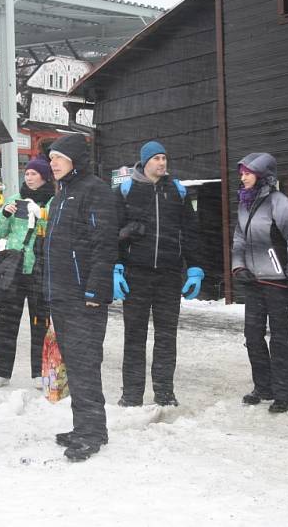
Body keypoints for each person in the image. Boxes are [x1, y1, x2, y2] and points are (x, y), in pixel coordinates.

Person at [44, 134, 117, 462]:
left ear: (75, 159)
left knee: (85, 363)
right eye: (50, 158)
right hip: (60, 294)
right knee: (73, 364)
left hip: (82, 296)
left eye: (58, 157)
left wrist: (95, 290)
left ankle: (90, 433)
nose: (53, 163)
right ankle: (88, 426)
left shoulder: (95, 190)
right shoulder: (61, 196)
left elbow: (105, 244)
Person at [113, 141, 204, 408]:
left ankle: (164, 392)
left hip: (168, 274)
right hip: (136, 274)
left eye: (165, 158)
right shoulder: (127, 190)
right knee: (134, 336)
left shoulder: (177, 191)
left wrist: (195, 268)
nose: (162, 163)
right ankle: (131, 394)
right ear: (144, 162)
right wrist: (116, 267)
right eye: (156, 159)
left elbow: (190, 232)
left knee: (166, 336)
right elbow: (113, 233)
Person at [231, 153, 288, 414]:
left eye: (247, 173)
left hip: (277, 283)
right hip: (253, 282)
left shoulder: (279, 202)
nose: (242, 177)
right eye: (241, 173)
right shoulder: (244, 204)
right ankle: (264, 387)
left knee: (280, 339)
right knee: (252, 336)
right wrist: (238, 267)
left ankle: (284, 395)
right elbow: (239, 238)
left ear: (262, 176)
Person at [0, 156, 54, 388]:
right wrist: (4, 213)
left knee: (40, 322)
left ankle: (39, 371)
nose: (29, 177)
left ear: (44, 176)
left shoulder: (53, 201)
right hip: (14, 268)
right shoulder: (15, 199)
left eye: (34, 174)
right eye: (27, 174)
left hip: (40, 268)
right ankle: (1, 370)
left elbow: (56, 231)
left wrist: (42, 216)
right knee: (6, 321)